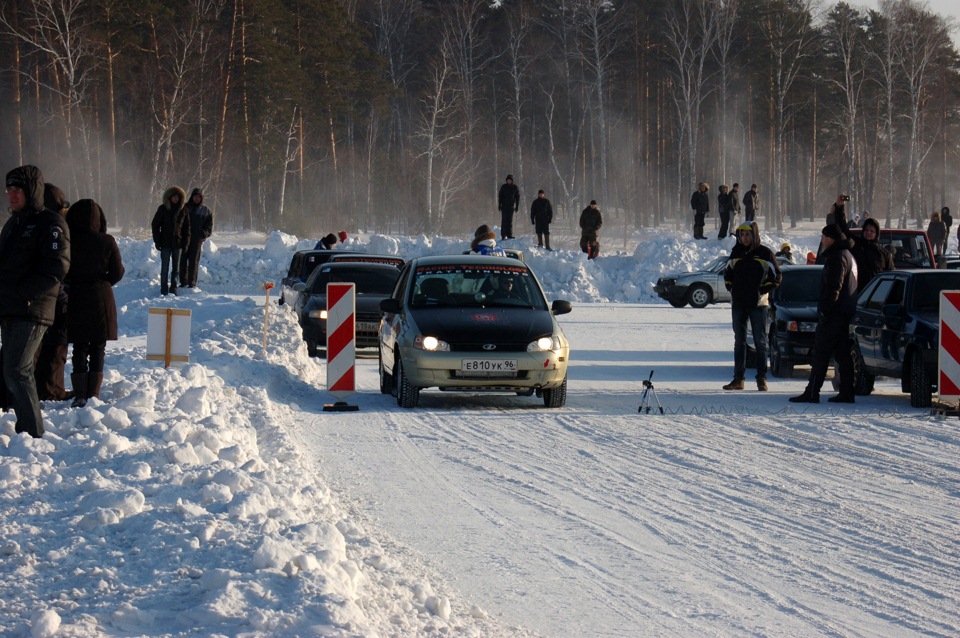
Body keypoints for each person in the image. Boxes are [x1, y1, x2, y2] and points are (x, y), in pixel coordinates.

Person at [0, 165, 71, 437]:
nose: (12, 195)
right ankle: (26, 429)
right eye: (9, 190)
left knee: (17, 369)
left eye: (18, 190)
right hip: (11, 308)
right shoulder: (14, 224)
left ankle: (32, 433)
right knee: (14, 370)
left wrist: (23, 293)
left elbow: (57, 268)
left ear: (31, 191)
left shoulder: (50, 224)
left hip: (32, 309)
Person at [65, 200, 125, 408]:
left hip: (77, 296)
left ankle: (80, 393)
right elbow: (118, 272)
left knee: (80, 346)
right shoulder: (107, 241)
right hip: (101, 297)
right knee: (98, 346)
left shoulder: (69, 241)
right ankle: (94, 393)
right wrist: (103, 282)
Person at [790, 224, 858, 404]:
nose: (822, 240)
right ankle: (847, 392)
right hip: (845, 313)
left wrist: (825, 311)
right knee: (843, 356)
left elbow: (834, 287)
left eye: (824, 237)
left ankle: (812, 392)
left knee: (821, 354)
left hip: (834, 315)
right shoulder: (848, 255)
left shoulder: (837, 257)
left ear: (831, 239)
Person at [722, 222, 781, 392]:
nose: (745, 238)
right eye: (742, 235)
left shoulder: (765, 253)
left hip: (758, 305)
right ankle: (738, 379)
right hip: (739, 304)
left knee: (760, 342)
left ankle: (761, 379)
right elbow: (727, 274)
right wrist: (731, 288)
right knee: (739, 342)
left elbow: (777, 276)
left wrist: (762, 290)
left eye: (748, 235)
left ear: (754, 235)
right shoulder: (736, 253)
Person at [33, 183, 73, 402]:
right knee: (55, 345)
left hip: (38, 294)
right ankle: (51, 388)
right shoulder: (56, 227)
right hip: (53, 293)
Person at [151, 186, 189, 295]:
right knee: (164, 268)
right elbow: (155, 225)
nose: (175, 199)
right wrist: (157, 241)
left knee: (176, 269)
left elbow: (187, 228)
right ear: (169, 197)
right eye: (173, 197)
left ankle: (174, 287)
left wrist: (185, 243)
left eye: (177, 197)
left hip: (178, 243)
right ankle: (163, 288)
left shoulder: (184, 210)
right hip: (165, 243)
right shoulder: (163, 209)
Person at [178, 187, 213, 289]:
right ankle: (183, 282)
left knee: (194, 262)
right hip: (185, 239)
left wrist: (202, 235)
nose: (196, 198)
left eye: (198, 197)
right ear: (192, 197)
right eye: (195, 196)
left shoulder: (206, 211)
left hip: (197, 241)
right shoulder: (185, 208)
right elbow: (179, 223)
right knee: (183, 261)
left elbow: (209, 228)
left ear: (201, 198)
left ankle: (192, 283)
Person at [850, 216, 894, 294]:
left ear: (876, 233)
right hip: (856, 293)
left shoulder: (884, 253)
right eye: (866, 230)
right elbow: (842, 230)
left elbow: (891, 276)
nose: (868, 233)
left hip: (877, 294)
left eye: (872, 231)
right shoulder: (856, 246)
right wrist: (840, 207)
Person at [497, 174, 520, 240]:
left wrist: (517, 206)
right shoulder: (504, 187)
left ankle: (509, 234)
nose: (509, 181)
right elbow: (500, 196)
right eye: (508, 180)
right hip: (504, 206)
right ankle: (503, 235)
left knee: (510, 221)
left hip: (511, 206)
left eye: (510, 180)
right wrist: (499, 205)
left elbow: (517, 197)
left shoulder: (515, 187)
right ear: (506, 180)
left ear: (512, 181)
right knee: (504, 220)